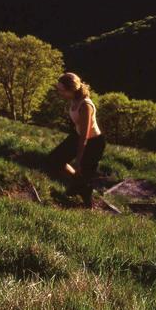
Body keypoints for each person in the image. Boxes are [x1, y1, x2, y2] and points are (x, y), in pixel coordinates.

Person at [46, 72, 106, 208]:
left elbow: (85, 136)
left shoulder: (86, 106)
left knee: (85, 175)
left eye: (62, 90)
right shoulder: (73, 99)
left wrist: (78, 160)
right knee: (54, 160)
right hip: (77, 136)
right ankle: (77, 182)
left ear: (71, 89)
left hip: (93, 143)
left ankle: (88, 206)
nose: (59, 92)